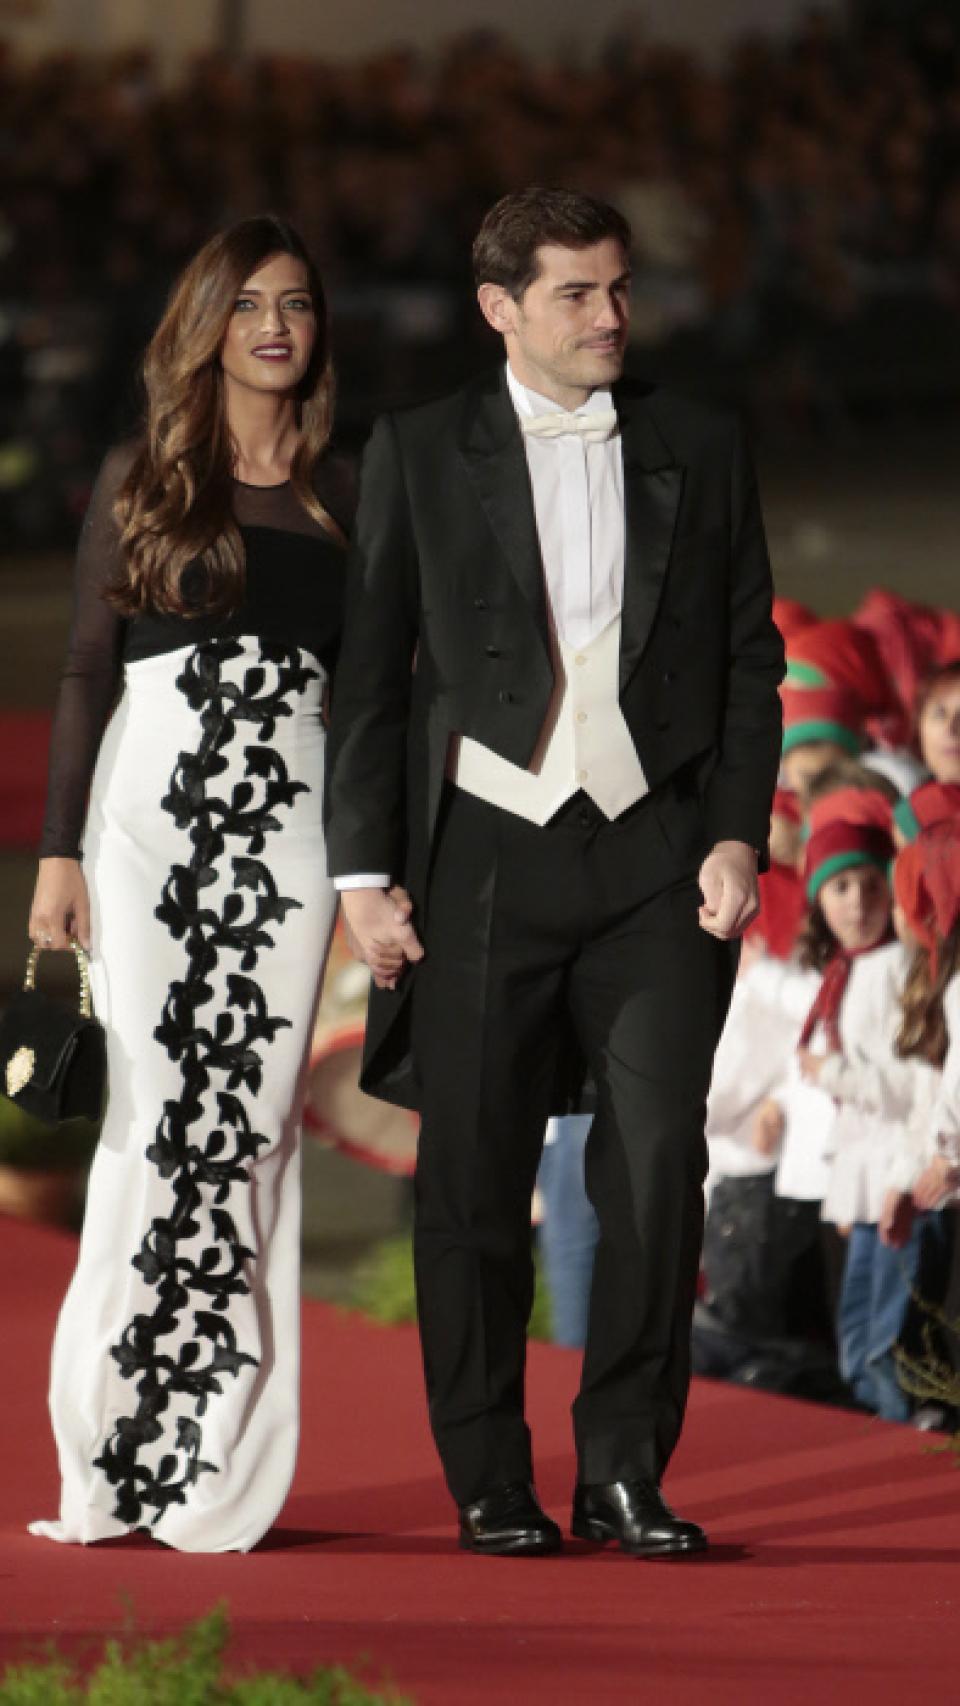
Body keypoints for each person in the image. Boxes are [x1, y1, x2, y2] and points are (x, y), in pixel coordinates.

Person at [325, 186, 785, 1558]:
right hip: (481, 857)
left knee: (656, 1164)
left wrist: (737, 829)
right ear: (499, 307)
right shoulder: (416, 448)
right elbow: (370, 680)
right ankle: (486, 1473)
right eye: (577, 292)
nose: (609, 315)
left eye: (619, 288)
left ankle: (625, 1470)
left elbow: (752, 657)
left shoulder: (698, 441)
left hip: (653, 857)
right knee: (471, 1179)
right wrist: (362, 873)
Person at [27, 216, 377, 1553]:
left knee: (253, 1134)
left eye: (295, 305)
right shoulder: (144, 472)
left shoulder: (350, 491)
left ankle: (213, 1460)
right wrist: (57, 852)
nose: (276, 326)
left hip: (285, 842)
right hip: (144, 831)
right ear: (206, 327)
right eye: (248, 307)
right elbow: (82, 670)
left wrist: (362, 869)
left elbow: (375, 698)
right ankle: (112, 1451)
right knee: (156, 1120)